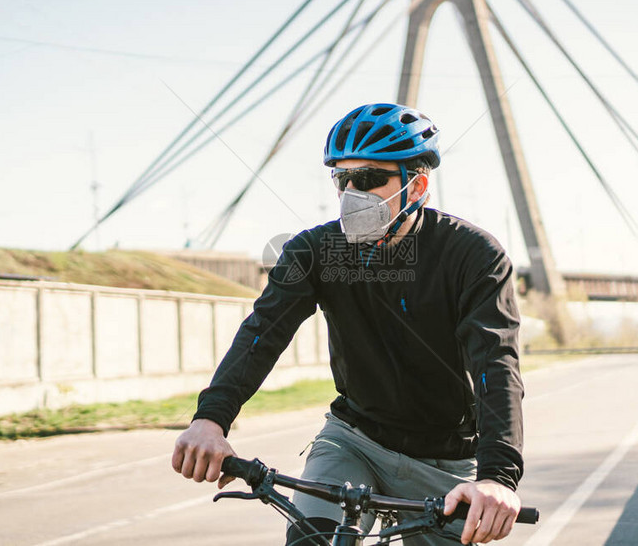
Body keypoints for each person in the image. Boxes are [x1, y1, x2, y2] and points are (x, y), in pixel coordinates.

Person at [172, 103, 524, 545]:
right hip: (354, 442)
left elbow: (497, 364)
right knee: (311, 541)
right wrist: (210, 420)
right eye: (343, 178)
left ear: (416, 186)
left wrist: (498, 478)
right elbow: (262, 334)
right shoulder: (314, 251)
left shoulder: (473, 255)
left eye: (372, 178)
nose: (353, 191)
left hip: (446, 462)